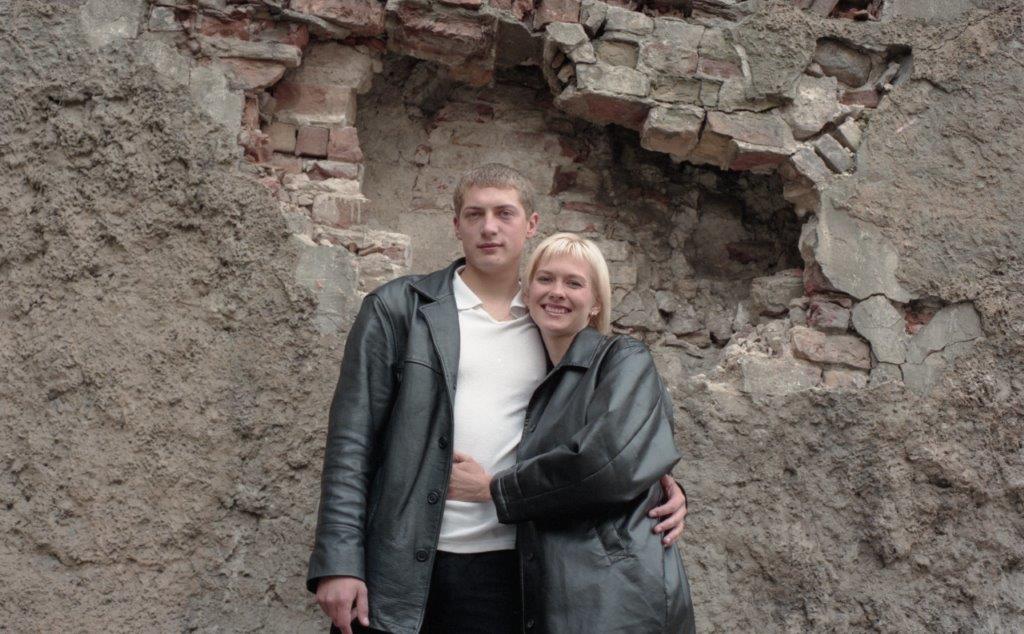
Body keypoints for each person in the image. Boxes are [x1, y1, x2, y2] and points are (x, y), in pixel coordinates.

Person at [308, 164, 688, 634]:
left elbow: (602, 439)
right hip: (401, 565)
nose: (489, 227)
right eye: (475, 214)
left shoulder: (551, 322)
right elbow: (351, 440)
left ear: (531, 224)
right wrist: (339, 560)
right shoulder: (399, 309)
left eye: (504, 213)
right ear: (456, 225)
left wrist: (659, 484)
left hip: (513, 570)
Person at [448, 233, 696, 633]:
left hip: (616, 600)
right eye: (545, 279)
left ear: (595, 302)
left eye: (574, 283)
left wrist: (494, 489)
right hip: (552, 597)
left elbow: (608, 464)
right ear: (527, 292)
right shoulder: (531, 375)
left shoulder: (623, 358)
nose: (557, 292)